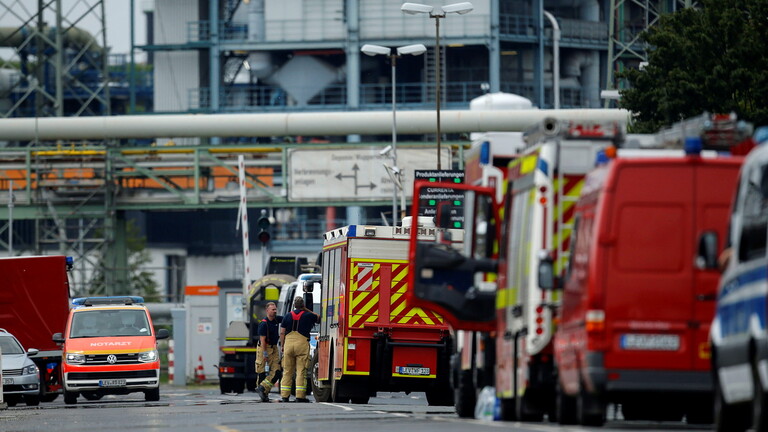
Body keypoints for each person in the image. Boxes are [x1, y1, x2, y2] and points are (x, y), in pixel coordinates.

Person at [279, 296, 320, 402]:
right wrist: (306, 309)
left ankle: (285, 396)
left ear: (294, 305)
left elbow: (282, 332)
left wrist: (283, 345)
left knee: (287, 371)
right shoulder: (308, 315)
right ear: (303, 305)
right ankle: (300, 396)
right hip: (301, 345)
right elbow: (319, 318)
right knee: (301, 371)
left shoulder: (287, 316)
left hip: (288, 345)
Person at [255, 302, 282, 402]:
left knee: (277, 372)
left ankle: (263, 387)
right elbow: (262, 340)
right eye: (273, 310)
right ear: (267, 311)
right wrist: (265, 354)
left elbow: (288, 319)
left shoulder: (276, 320)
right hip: (264, 347)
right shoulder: (263, 324)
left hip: (274, 348)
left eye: (275, 309)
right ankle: (263, 393)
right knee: (261, 371)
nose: (275, 311)